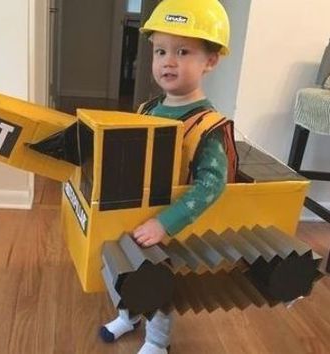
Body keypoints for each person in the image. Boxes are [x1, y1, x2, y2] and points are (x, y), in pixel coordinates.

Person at [99, 1, 238, 353]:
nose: (168, 61)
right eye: (161, 51)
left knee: (157, 282)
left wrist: (165, 223)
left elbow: (211, 185)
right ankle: (128, 316)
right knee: (126, 271)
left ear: (210, 60)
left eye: (183, 51)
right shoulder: (146, 109)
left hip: (171, 224)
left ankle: (157, 341)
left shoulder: (209, 126)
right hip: (132, 211)